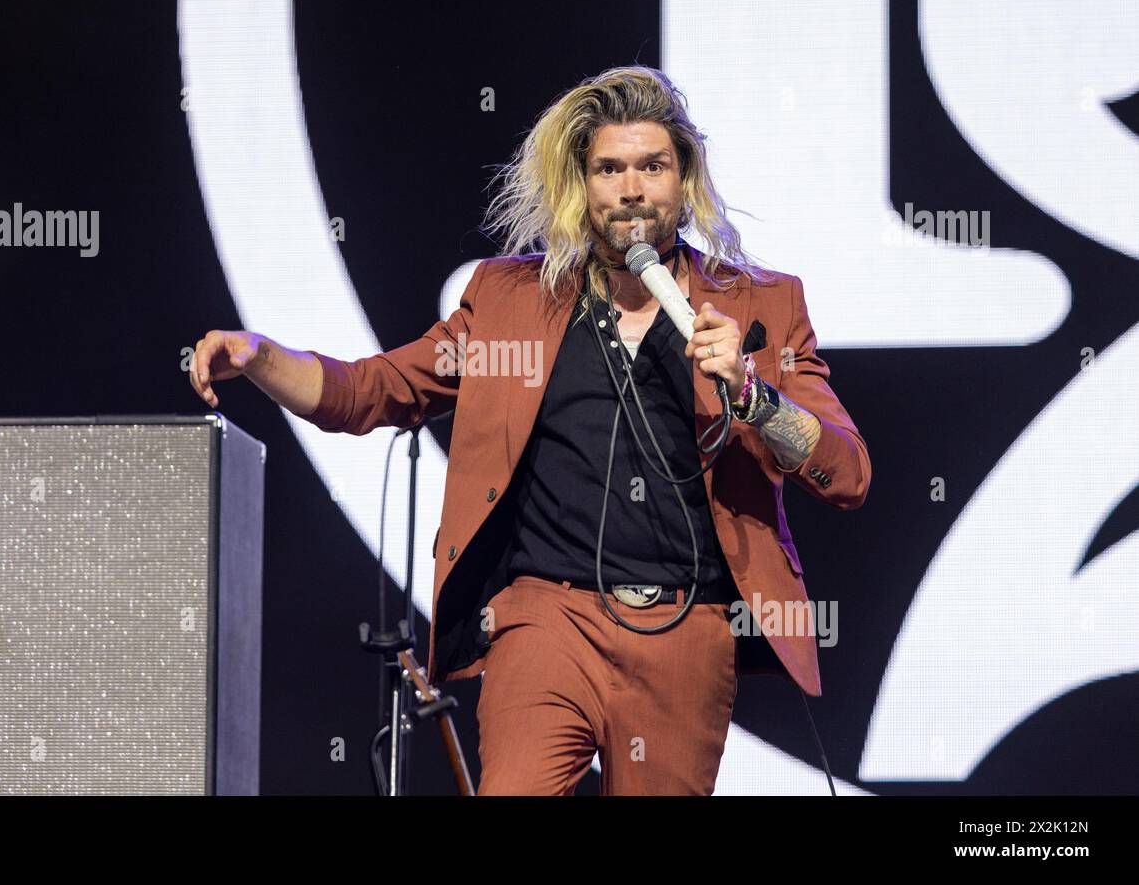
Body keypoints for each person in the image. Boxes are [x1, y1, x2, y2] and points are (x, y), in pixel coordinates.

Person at [189, 66, 871, 795]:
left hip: (686, 628)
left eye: (652, 166)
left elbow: (848, 473)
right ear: (584, 184)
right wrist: (260, 357)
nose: (632, 189)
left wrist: (754, 394)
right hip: (548, 618)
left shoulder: (761, 305)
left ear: (685, 179)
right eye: (610, 168)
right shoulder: (513, 299)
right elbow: (371, 391)